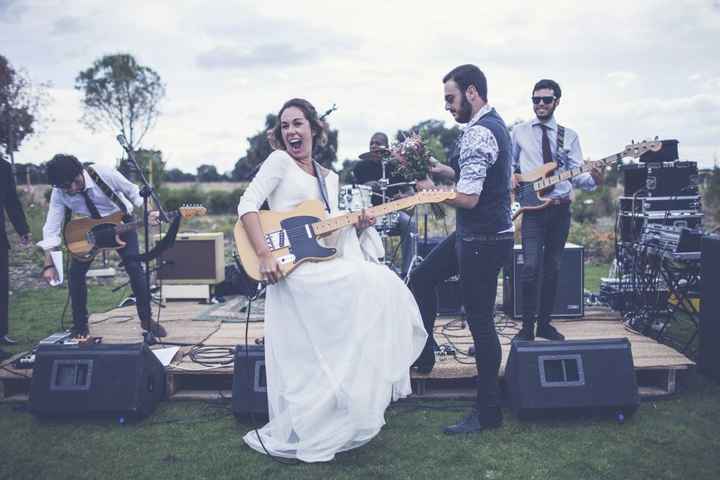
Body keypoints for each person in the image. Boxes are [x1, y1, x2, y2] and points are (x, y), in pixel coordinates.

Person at [237, 98, 426, 462]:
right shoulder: (278, 162)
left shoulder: (328, 177)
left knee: (381, 286)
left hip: (316, 263)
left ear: (313, 128)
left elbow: (325, 238)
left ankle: (337, 412)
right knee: (376, 284)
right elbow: (247, 205)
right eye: (285, 126)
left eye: (298, 124)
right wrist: (263, 254)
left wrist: (356, 223)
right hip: (290, 270)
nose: (292, 131)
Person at [409, 64, 514, 435]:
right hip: (486, 235)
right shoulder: (496, 125)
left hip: (480, 241)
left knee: (481, 324)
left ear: (472, 92)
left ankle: (488, 412)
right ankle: (425, 353)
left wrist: (427, 189)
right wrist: (440, 170)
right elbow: (475, 178)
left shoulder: (477, 135)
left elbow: (469, 198)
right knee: (421, 279)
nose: (447, 107)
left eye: (451, 99)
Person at [511, 79, 602, 341]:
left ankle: (544, 325)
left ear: (557, 102)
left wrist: (596, 176)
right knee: (529, 267)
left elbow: (579, 176)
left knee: (552, 268)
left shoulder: (569, 136)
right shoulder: (519, 131)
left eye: (546, 100)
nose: (540, 104)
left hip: (560, 210)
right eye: (536, 99)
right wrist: (513, 178)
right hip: (532, 210)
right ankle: (527, 328)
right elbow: (509, 164)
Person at [37, 154, 166, 339]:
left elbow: (133, 192)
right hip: (91, 232)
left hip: (122, 223)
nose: (72, 189)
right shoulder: (59, 192)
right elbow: (51, 228)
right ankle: (80, 327)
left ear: (80, 171)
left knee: (134, 267)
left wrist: (150, 211)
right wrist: (48, 264)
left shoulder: (103, 172)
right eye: (66, 186)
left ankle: (147, 320)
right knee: (75, 275)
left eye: (75, 182)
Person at [352, 132, 418, 277]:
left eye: (377, 142)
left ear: (387, 147)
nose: (374, 145)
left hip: (391, 212)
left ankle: (408, 273)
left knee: (410, 223)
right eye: (371, 143)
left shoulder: (396, 167)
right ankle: (362, 271)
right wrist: (368, 186)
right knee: (354, 229)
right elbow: (354, 192)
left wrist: (403, 197)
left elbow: (411, 193)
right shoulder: (360, 167)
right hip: (368, 213)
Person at [1, 159, 31, 361]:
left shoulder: (2, 167)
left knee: (2, 286)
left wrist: (22, 229)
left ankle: (1, 333)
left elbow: (11, 200)